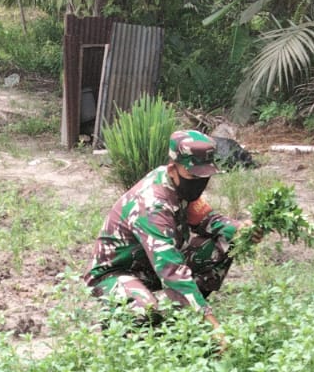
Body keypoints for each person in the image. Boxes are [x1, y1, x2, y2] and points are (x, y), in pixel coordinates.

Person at [83, 129, 246, 332]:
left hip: (149, 266)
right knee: (145, 311)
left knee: (226, 242)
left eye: (205, 176)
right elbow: (170, 268)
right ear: (172, 169)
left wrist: (241, 230)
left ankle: (184, 315)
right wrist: (211, 323)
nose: (199, 183)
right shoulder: (152, 204)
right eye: (193, 176)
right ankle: (118, 328)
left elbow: (207, 220)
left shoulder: (181, 187)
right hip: (114, 273)